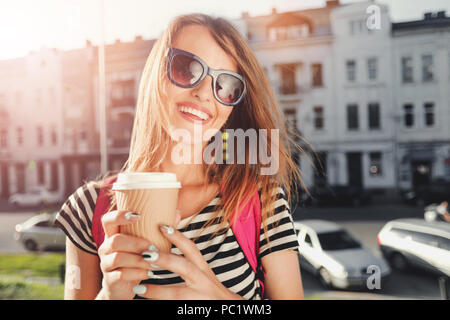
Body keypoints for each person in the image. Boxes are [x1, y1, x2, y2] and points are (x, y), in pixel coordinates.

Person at [55, 13, 305, 300]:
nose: (204, 94)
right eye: (187, 68)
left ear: (233, 106)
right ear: (156, 73)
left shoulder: (262, 198)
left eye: (226, 85)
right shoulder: (88, 208)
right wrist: (110, 294)